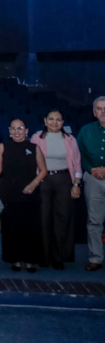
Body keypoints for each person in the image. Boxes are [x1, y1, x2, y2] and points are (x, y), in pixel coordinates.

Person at [30, 110, 83, 270]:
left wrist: (76, 184)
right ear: (45, 121)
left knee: (62, 218)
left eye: (58, 119)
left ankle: (58, 257)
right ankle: (44, 256)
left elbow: (77, 163)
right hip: (43, 181)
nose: (55, 122)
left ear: (63, 122)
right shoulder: (36, 138)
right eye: (51, 119)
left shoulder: (70, 139)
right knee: (43, 218)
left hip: (64, 180)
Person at [0, 120, 46, 272]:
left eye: (20, 128)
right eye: (14, 128)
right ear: (9, 131)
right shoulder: (3, 147)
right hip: (9, 192)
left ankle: (30, 260)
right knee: (12, 226)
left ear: (26, 131)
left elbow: (43, 170)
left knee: (30, 226)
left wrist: (34, 184)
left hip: (30, 192)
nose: (17, 131)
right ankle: (14, 259)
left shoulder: (34, 148)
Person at [77, 98, 105, 272]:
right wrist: (91, 169)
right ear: (94, 112)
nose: (103, 112)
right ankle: (95, 257)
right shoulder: (85, 130)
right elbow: (79, 154)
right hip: (93, 179)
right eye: (99, 109)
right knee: (94, 221)